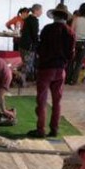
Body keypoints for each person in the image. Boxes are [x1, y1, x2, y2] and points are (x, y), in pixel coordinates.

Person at [28, 7, 75, 138]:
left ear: (54, 16)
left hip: (45, 68)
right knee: (57, 101)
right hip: (60, 70)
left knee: (42, 101)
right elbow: (71, 54)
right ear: (65, 17)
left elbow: (40, 47)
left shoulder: (47, 29)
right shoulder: (70, 32)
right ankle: (54, 129)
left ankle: (40, 129)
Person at [66, 3, 85, 85]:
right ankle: (73, 81)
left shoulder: (76, 19)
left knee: (71, 61)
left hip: (75, 42)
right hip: (84, 43)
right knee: (79, 62)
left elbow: (71, 31)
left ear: (80, 10)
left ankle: (67, 79)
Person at [19, 3, 43, 81]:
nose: (41, 12)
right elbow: (34, 35)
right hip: (28, 46)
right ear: (36, 11)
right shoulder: (34, 21)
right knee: (27, 65)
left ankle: (22, 79)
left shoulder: (27, 19)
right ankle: (21, 81)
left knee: (25, 63)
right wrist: (38, 45)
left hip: (22, 44)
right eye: (40, 10)